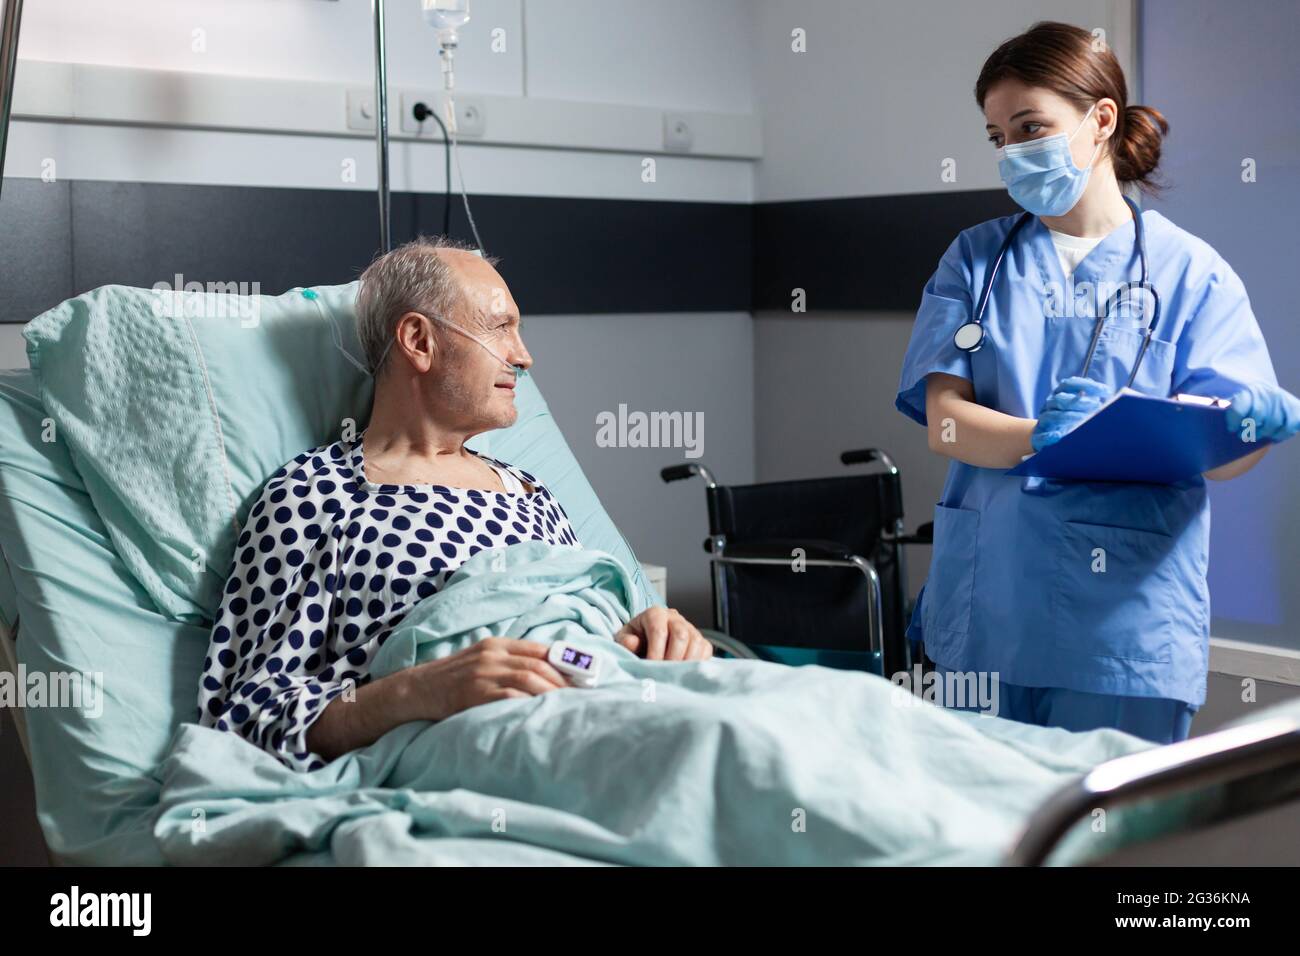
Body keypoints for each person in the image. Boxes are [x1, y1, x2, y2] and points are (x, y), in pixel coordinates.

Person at [895, 21, 1300, 743]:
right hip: (986, 612)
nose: (1014, 153)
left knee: (1104, 846)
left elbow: (1228, 453)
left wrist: (1244, 429)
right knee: (974, 837)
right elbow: (945, 422)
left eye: (1031, 127)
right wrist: (1043, 438)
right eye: (997, 138)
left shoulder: (1192, 274)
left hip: (1126, 634)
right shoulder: (976, 262)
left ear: (1100, 119)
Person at [197, 236, 711, 771]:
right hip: (499, 751)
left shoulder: (533, 494)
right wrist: (418, 691)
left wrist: (649, 636)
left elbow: (581, 631)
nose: (524, 355)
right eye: (500, 327)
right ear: (419, 340)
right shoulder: (316, 498)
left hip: (612, 712)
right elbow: (242, 722)